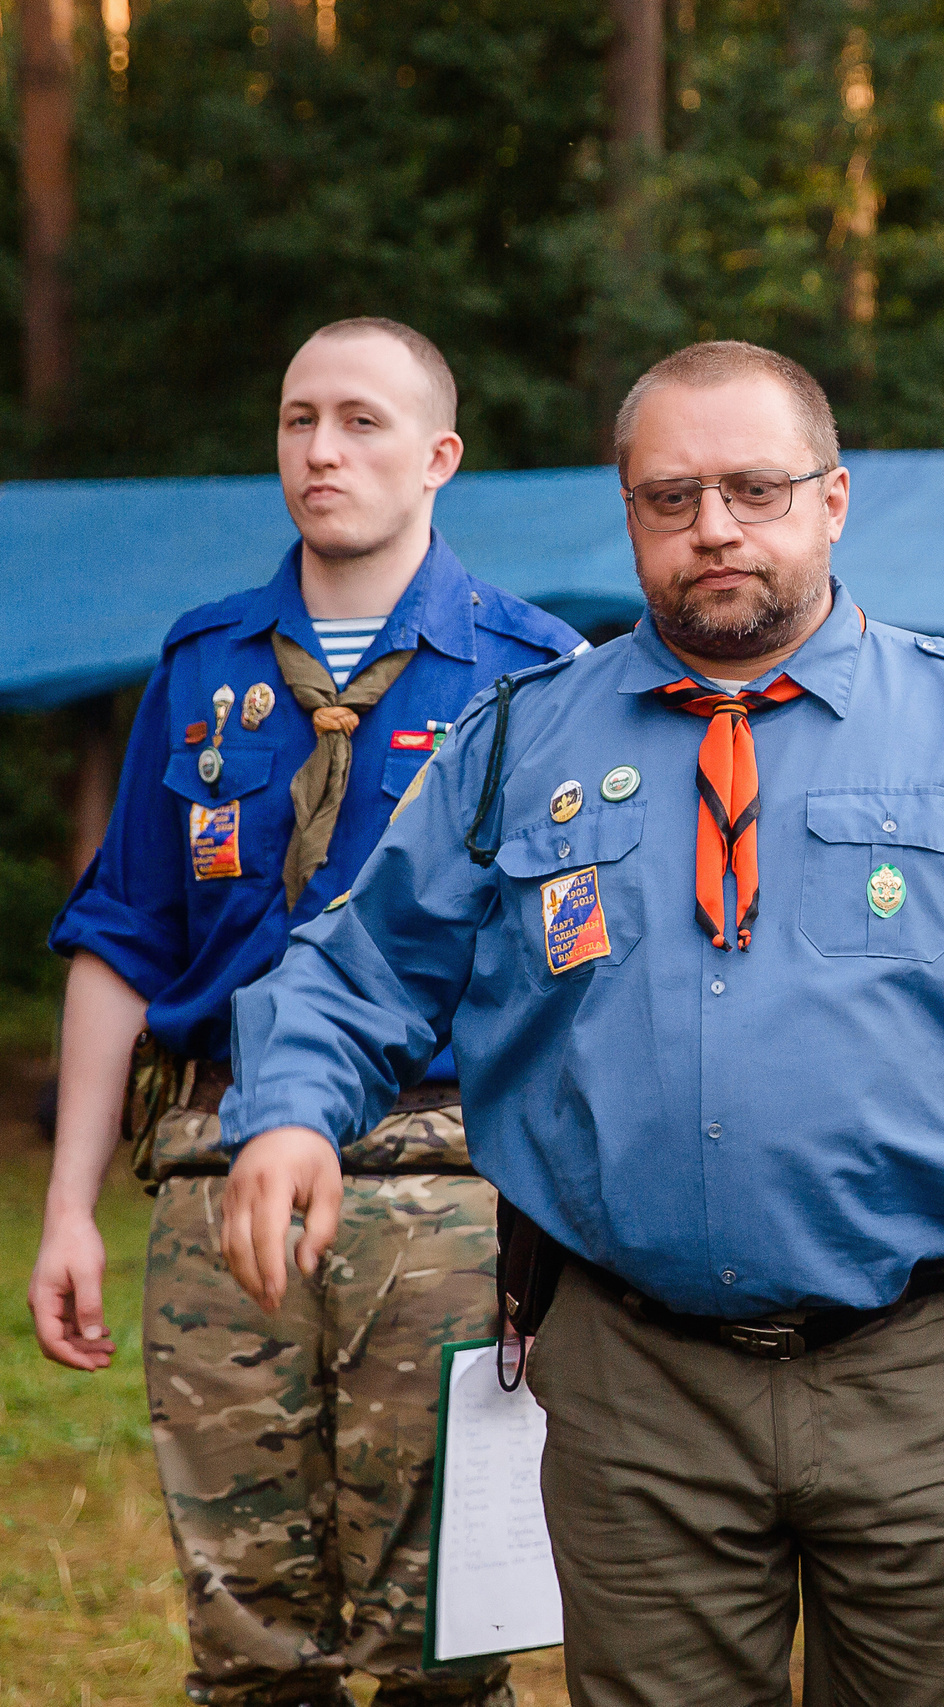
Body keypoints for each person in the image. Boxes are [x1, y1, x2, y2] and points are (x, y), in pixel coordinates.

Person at [216, 340, 944, 1706]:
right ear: (629, 513)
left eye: (755, 488)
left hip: (923, 1372)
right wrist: (287, 1111)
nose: (715, 530)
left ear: (833, 501)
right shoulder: (523, 746)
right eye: (671, 498)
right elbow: (354, 971)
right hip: (636, 1392)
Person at [29, 317, 584, 1707]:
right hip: (221, 1186)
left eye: (360, 420)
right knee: (249, 1639)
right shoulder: (205, 661)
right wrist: (65, 1204)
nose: (321, 451)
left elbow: (584, 966)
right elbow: (121, 937)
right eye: (297, 420)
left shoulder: (533, 673)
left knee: (446, 1643)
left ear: (440, 454)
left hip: (450, 1190)